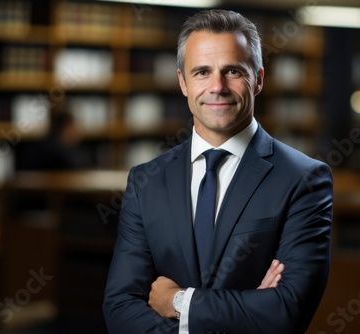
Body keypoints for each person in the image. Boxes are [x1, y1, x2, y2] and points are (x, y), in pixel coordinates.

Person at [103, 9, 333, 334]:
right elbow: (120, 306)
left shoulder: (304, 179)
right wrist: (249, 308)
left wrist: (179, 302)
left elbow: (286, 311)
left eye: (233, 71)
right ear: (183, 82)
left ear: (259, 80)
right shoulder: (146, 180)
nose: (217, 87)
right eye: (201, 72)